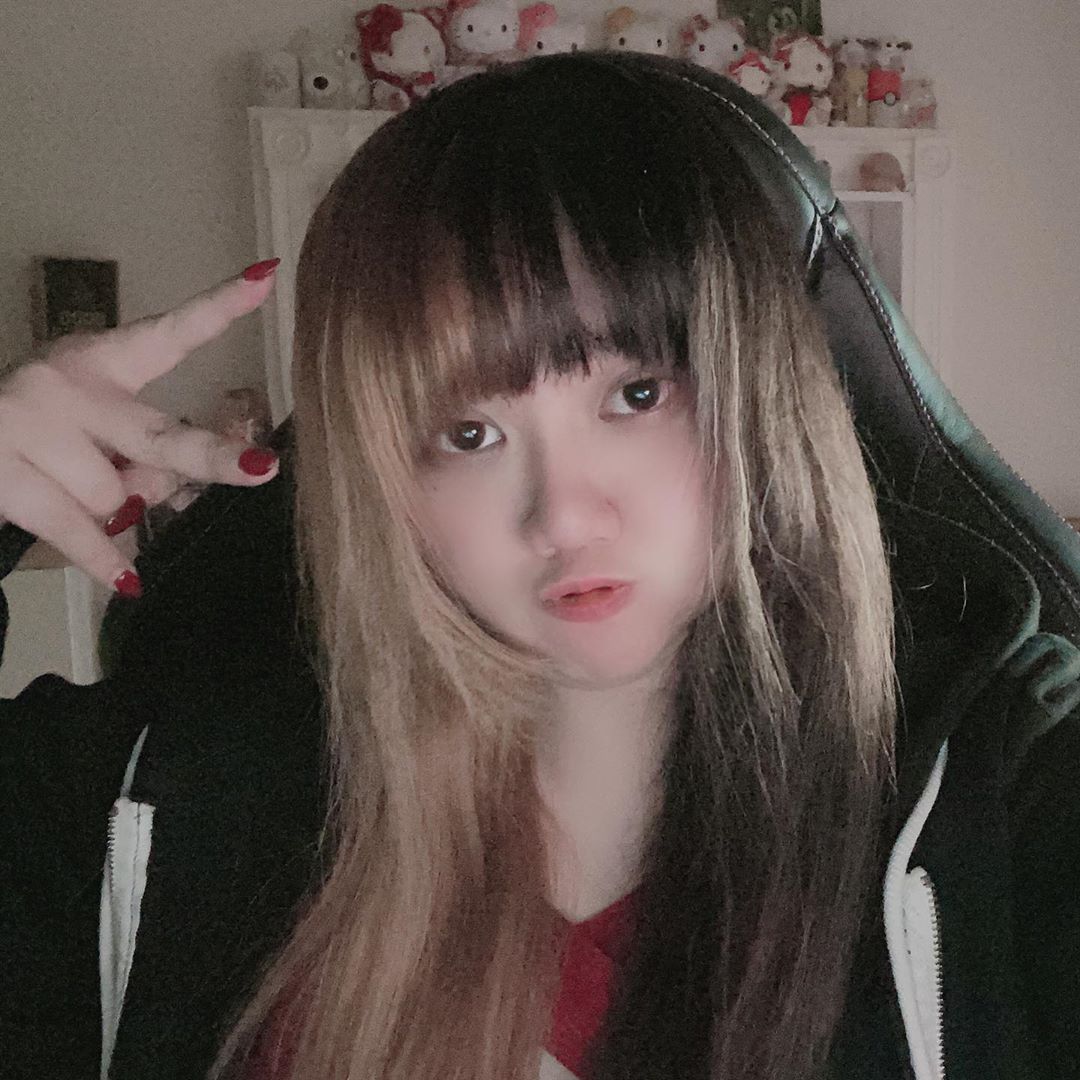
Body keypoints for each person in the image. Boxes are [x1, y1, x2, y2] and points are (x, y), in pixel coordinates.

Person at [0, 49, 1077, 1080]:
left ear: (758, 393)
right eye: (469, 435)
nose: (561, 513)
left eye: (635, 395)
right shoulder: (178, 796)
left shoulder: (1001, 801)